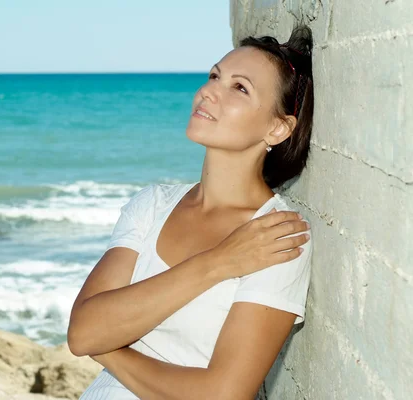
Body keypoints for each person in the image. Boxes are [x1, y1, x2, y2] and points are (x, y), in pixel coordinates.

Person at [68, 23, 315, 400]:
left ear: (278, 129)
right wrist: (217, 262)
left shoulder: (275, 237)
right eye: (215, 76)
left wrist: (107, 348)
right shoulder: (152, 205)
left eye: (239, 87)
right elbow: (82, 332)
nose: (208, 91)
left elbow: (222, 394)